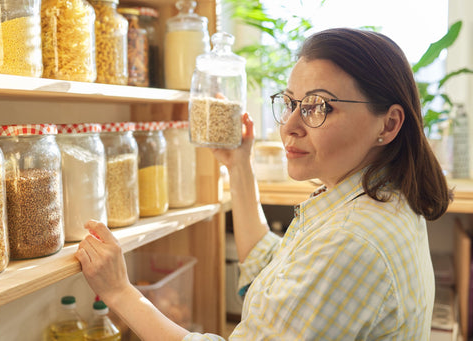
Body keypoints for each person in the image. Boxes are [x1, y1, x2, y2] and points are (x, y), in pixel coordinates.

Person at [75, 27, 453, 340]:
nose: (289, 125)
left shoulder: (352, 240)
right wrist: (240, 166)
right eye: (290, 102)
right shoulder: (375, 196)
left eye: (318, 107)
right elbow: (273, 270)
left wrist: (120, 293)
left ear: (388, 124)